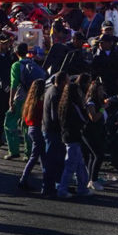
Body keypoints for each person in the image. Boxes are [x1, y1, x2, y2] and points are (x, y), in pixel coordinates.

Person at [4, 42, 45, 160]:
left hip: (20, 98)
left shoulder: (16, 65)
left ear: (16, 53)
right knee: (27, 124)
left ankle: (13, 150)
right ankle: (28, 153)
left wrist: (10, 101)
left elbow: (14, 85)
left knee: (9, 122)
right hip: (31, 99)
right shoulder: (33, 63)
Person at [57, 82, 92, 198]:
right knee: (71, 166)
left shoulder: (64, 105)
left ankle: (82, 188)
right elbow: (83, 120)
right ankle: (63, 190)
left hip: (68, 136)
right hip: (74, 137)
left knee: (79, 165)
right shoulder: (74, 106)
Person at [42, 70, 69, 198]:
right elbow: (55, 116)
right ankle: (48, 187)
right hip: (53, 131)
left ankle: (55, 185)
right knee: (52, 161)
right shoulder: (56, 94)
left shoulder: (51, 90)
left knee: (54, 160)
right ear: (63, 82)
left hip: (49, 130)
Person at [18, 79, 47, 191]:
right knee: (36, 157)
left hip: (31, 128)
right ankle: (24, 179)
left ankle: (45, 181)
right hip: (38, 129)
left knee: (39, 156)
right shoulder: (40, 103)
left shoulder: (29, 101)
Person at [82, 79, 108, 191]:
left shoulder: (98, 101)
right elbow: (93, 118)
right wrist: (103, 108)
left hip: (97, 131)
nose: (102, 92)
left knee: (93, 155)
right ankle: (93, 180)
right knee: (98, 155)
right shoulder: (91, 102)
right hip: (89, 132)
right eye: (100, 90)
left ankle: (91, 179)